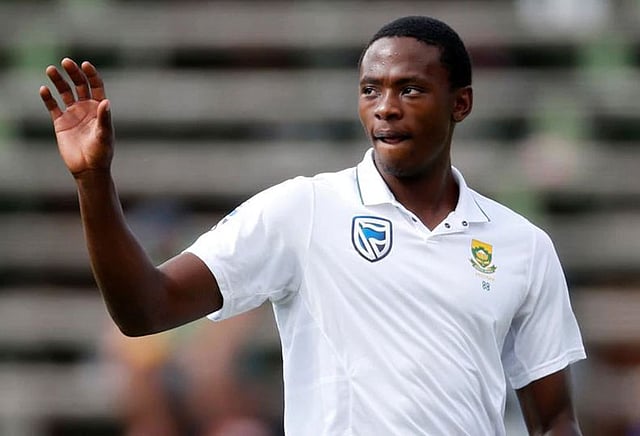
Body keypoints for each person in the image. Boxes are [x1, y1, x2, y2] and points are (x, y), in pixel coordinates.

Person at [40, 15, 586, 436]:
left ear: (460, 103)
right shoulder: (303, 210)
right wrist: (93, 179)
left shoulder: (522, 246)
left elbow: (555, 421)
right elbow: (145, 309)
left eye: (410, 89)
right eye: (371, 90)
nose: (385, 107)